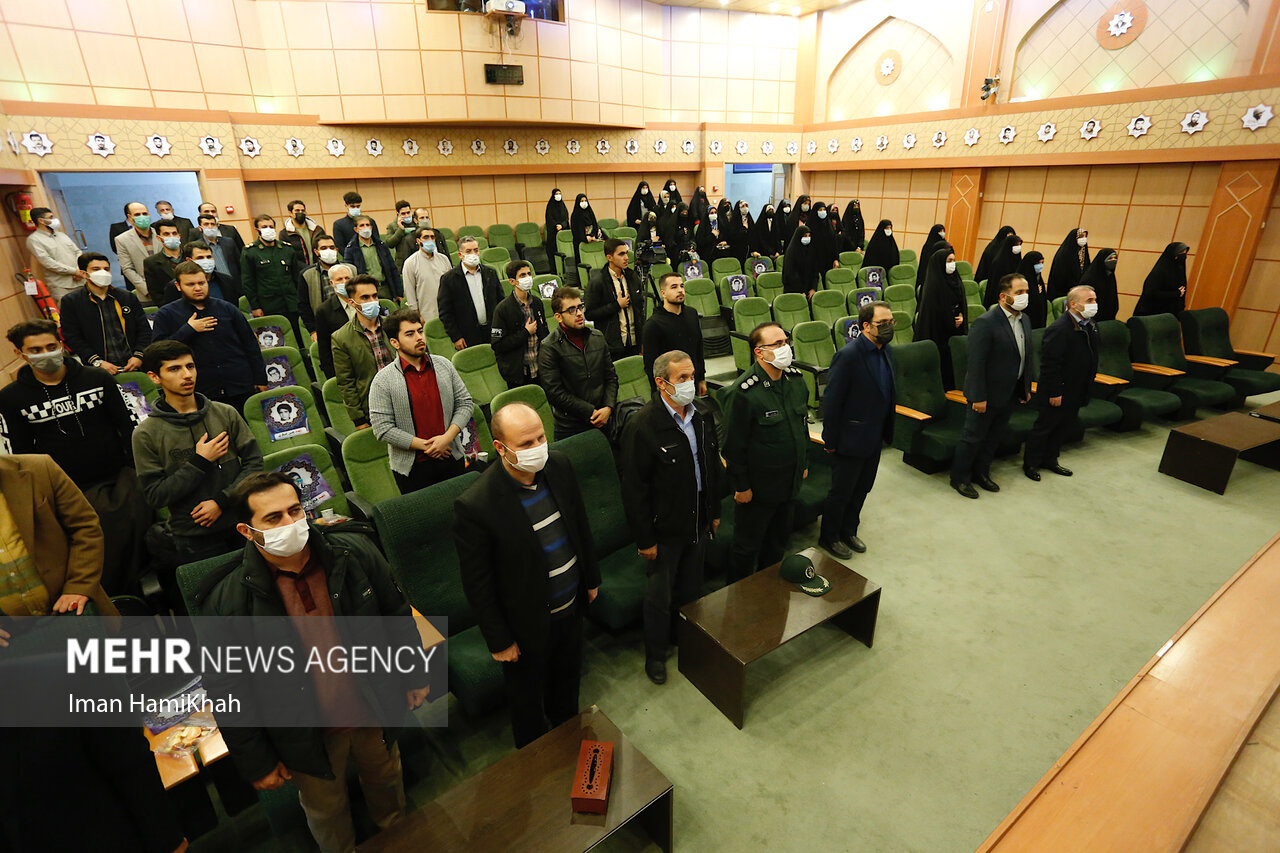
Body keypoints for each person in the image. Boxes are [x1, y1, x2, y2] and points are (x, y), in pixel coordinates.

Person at [204, 471, 425, 853]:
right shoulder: (227, 601)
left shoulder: (354, 552)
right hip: (306, 734)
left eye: (295, 511)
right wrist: (256, 761)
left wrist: (414, 674)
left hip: (373, 705)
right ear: (247, 531)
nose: (290, 523)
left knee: (387, 782)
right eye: (273, 518)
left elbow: (396, 614)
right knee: (327, 811)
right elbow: (228, 688)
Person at [453, 402, 601, 748]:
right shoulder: (476, 504)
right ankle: (536, 761)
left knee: (567, 686)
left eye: (540, 438)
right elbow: (477, 582)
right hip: (526, 627)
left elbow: (580, 525)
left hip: (571, 607)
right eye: (526, 444)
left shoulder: (559, 466)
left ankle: (567, 743)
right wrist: (499, 640)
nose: (538, 448)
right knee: (528, 703)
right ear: (501, 448)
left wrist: (590, 579)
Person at [1, 319, 146, 594]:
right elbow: (21, 453)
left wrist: (133, 468)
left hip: (118, 476)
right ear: (20, 354)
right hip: (65, 489)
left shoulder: (97, 378)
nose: (46, 354)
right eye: (35, 350)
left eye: (51, 346)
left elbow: (128, 426)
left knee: (131, 522)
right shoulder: (11, 398)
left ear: (61, 345)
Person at [621, 349, 722, 684]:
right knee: (659, 598)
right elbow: (634, 490)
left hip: (698, 517)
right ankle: (656, 654)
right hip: (664, 529)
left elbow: (710, 466)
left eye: (692, 376)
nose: (690, 383)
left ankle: (685, 638)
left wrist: (714, 511)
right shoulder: (643, 426)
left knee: (692, 588)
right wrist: (645, 539)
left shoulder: (702, 414)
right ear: (661, 383)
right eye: (682, 378)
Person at [132, 340, 263, 595]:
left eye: (190, 366)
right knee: (221, 603)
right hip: (195, 538)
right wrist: (200, 461)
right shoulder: (146, 434)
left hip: (242, 523)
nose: (187, 375)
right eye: (174, 369)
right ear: (154, 377)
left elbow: (254, 464)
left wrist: (222, 501)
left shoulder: (225, 413)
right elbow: (156, 496)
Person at [723, 322, 808, 581]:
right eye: (778, 344)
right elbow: (733, 447)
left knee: (778, 543)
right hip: (758, 490)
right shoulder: (743, 393)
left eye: (786, 342)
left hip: (789, 483)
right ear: (759, 352)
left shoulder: (796, 381)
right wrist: (741, 486)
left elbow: (802, 428)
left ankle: (768, 592)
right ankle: (739, 596)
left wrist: (803, 464)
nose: (785, 348)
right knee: (746, 549)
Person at [817, 301, 896, 559]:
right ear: (865, 326)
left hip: (875, 436)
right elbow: (832, 401)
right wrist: (830, 440)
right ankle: (830, 536)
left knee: (863, 488)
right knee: (842, 492)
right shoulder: (849, 355)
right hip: (850, 438)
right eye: (882, 323)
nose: (888, 327)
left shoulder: (886, 351)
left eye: (891, 322)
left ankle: (849, 530)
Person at [369, 308, 474, 494]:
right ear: (395, 342)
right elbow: (382, 428)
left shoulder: (444, 365)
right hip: (412, 468)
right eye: (410, 334)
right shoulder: (382, 380)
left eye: (420, 331)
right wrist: (429, 446)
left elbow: (465, 403)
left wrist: (446, 439)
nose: (419, 338)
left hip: (451, 455)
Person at [0, 452, 116, 618]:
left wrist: (79, 585)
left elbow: (85, 526)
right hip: (10, 631)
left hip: (73, 611)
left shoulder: (39, 468)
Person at [950, 274, 1032, 499]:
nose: (1024, 296)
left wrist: (1024, 388)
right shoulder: (986, 322)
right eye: (1019, 292)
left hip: (1010, 391)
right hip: (985, 393)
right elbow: (976, 363)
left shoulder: (1024, 319)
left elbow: (1025, 356)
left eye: (1026, 291)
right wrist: (978, 396)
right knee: (972, 437)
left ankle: (981, 473)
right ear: (1003, 296)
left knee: (994, 437)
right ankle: (960, 478)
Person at [150, 261, 267, 413]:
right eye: (190, 284)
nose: (198, 288)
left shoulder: (227, 308)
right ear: (178, 286)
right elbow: (158, 351)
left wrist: (260, 379)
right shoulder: (166, 314)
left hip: (240, 384)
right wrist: (189, 329)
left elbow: (250, 345)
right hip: (202, 391)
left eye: (201, 283)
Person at [1024, 285, 1100, 482]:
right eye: (1089, 301)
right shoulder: (1060, 328)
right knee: (1045, 427)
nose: (1094, 304)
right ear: (1073, 304)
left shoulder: (1090, 325)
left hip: (1077, 388)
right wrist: (1055, 391)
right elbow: (1050, 364)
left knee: (1063, 427)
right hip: (1057, 390)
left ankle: (1050, 459)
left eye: (1094, 300)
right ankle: (1031, 463)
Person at [539, 286, 618, 439]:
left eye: (580, 307)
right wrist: (590, 411)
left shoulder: (597, 337)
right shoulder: (549, 347)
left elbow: (611, 377)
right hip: (571, 425)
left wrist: (608, 407)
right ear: (558, 317)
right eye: (571, 310)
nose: (579, 313)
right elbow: (555, 393)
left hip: (605, 417)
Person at [59, 252, 150, 373]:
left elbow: (144, 329)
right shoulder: (71, 302)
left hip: (134, 363)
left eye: (106, 269)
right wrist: (97, 361)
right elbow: (72, 336)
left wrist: (138, 355)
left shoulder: (127, 297)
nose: (103, 273)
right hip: (98, 368)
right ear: (84, 273)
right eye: (96, 269)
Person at [332, 276, 395, 429]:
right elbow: (346, 382)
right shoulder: (341, 338)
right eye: (365, 298)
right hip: (375, 405)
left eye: (375, 296)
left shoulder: (393, 325)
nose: (372, 301)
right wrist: (358, 419)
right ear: (352, 302)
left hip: (406, 395)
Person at [242, 214, 311, 353]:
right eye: (264, 227)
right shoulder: (250, 252)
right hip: (269, 305)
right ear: (257, 230)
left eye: (271, 226)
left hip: (291, 302)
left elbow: (296, 278)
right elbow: (248, 282)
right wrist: (255, 306)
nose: (268, 229)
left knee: (299, 338)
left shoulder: (286, 249)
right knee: (277, 341)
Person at [912, 244, 967, 389]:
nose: (952, 264)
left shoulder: (956, 280)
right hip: (938, 335)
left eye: (953, 260)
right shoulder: (933, 285)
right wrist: (950, 321)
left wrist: (962, 316)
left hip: (955, 330)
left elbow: (961, 303)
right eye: (949, 261)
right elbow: (935, 313)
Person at [643, 273, 705, 394]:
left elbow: (699, 348)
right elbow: (651, 366)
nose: (680, 290)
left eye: (682, 286)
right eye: (674, 287)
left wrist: (701, 378)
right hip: (671, 387)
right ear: (663, 293)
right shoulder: (653, 324)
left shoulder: (692, 314)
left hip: (693, 380)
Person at [438, 235, 503, 350]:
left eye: (476, 250)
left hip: (493, 331)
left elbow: (500, 302)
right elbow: (445, 312)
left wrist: (500, 330)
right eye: (468, 251)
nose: (473, 254)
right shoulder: (449, 279)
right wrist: (456, 337)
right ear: (460, 255)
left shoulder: (490, 273)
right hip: (467, 335)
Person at [585, 238, 646, 361]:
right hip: (612, 346)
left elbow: (640, 310)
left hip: (634, 342)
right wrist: (616, 305)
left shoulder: (633, 277)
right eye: (621, 254)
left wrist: (643, 341)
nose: (626, 258)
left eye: (626, 253)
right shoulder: (598, 282)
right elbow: (590, 314)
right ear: (609, 257)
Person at [492, 260, 549, 388]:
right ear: (512, 281)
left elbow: (544, 332)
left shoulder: (537, 302)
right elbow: (497, 345)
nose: (527, 278)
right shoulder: (501, 309)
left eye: (529, 274)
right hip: (518, 373)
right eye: (522, 275)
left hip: (540, 368)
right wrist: (525, 333)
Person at [25, 206, 84, 304]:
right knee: (70, 312)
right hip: (62, 286)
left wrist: (79, 270)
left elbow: (78, 252)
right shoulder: (34, 240)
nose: (54, 220)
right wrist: (74, 271)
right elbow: (48, 262)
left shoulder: (61, 235)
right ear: (41, 221)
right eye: (50, 217)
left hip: (80, 281)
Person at [343, 215, 403, 303]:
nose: (365, 228)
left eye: (367, 225)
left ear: (371, 227)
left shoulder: (381, 246)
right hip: (365, 291)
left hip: (385, 289)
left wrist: (398, 293)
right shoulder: (350, 249)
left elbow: (393, 269)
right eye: (362, 225)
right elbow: (350, 274)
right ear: (356, 229)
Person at [313, 263, 356, 379]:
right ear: (332, 283)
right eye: (339, 279)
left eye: (347, 278)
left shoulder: (363, 301)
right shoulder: (324, 310)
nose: (344, 282)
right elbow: (324, 349)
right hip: (345, 367)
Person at [402, 227, 452, 322]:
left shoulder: (444, 259)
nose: (430, 240)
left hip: (447, 312)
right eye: (426, 237)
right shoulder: (410, 263)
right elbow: (409, 292)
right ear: (418, 241)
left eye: (432, 237)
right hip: (426, 314)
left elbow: (452, 285)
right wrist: (416, 315)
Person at [116, 202, 164, 302]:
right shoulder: (122, 240)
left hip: (169, 289)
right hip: (146, 294)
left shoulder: (162, 234)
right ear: (130, 218)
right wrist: (147, 289)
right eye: (137, 214)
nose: (142, 217)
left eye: (145, 214)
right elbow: (127, 268)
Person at [1134, 242, 1190, 317]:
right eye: (1181, 253)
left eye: (1185, 253)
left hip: (1170, 314)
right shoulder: (1159, 271)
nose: (1184, 256)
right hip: (1153, 313)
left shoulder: (1180, 270)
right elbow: (1150, 293)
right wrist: (1176, 293)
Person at [197, 211, 244, 297]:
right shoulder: (197, 247)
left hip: (235, 286)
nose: (210, 227)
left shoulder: (229, 242)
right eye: (206, 224)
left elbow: (239, 264)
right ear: (200, 228)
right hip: (216, 287)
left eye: (213, 224)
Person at [300, 233, 342, 323]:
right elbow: (304, 305)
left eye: (332, 247)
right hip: (324, 321)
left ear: (336, 250)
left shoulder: (350, 269)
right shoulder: (307, 274)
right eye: (323, 248)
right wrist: (312, 328)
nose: (329, 251)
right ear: (316, 252)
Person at [141, 220, 187, 302]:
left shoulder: (190, 255)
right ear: (159, 238)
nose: (171, 237)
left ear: (179, 236)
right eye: (166, 234)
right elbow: (156, 294)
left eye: (174, 233)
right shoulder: (151, 263)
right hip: (171, 306)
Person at [1079, 249, 1120, 322]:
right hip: (1092, 319)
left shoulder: (1110, 276)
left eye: (1115, 258)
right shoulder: (1089, 278)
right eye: (1110, 258)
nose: (1113, 260)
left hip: (1108, 318)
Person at [1048, 228, 1090, 300]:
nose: (1084, 239)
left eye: (1085, 236)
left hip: (1080, 293)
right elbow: (1059, 276)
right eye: (1081, 236)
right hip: (1063, 293)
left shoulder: (1083, 254)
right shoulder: (1064, 254)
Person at [281, 199, 325, 267]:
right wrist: (306, 268)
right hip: (299, 270)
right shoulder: (285, 234)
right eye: (297, 210)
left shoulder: (317, 230)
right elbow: (288, 255)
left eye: (303, 210)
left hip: (319, 267)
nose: (300, 212)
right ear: (290, 213)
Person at [983, 234, 1024, 307]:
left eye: (1019, 245)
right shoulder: (998, 261)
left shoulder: (1017, 260)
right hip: (999, 296)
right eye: (1016, 245)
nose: (1018, 247)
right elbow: (995, 284)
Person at [782, 225, 820, 297]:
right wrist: (801, 291)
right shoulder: (791, 252)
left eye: (809, 236)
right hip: (794, 292)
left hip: (810, 293)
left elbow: (815, 272)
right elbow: (790, 275)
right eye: (805, 236)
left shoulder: (811, 251)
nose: (807, 238)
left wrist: (813, 289)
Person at [569, 193, 602, 275]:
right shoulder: (575, 215)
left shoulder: (590, 212)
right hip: (580, 241)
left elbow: (595, 224)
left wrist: (593, 234)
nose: (584, 203)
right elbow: (575, 231)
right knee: (582, 263)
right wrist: (584, 238)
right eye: (581, 201)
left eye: (585, 200)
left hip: (592, 239)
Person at [382, 201, 421, 269]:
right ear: (398, 214)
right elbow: (389, 243)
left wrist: (418, 226)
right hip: (402, 262)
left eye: (408, 212)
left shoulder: (416, 223)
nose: (407, 215)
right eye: (403, 213)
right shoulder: (392, 226)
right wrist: (400, 229)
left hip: (418, 260)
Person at [1017, 250, 1050, 329]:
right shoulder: (1020, 281)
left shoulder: (1038, 279)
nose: (1041, 265)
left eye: (1042, 263)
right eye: (1038, 263)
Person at [915, 224, 947, 295]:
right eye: (940, 231)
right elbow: (924, 264)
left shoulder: (945, 245)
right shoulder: (928, 246)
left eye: (943, 231)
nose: (942, 233)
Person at [808, 201, 838, 271]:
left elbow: (834, 243)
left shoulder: (828, 224)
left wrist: (836, 259)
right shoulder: (810, 225)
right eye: (820, 210)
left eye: (824, 210)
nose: (823, 212)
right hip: (814, 262)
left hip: (828, 261)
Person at [544, 188, 570, 260]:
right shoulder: (550, 206)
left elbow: (566, 218)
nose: (558, 195)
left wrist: (562, 225)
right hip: (553, 233)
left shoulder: (563, 206)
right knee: (554, 252)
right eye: (556, 194)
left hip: (563, 231)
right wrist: (556, 225)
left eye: (559, 194)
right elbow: (549, 219)